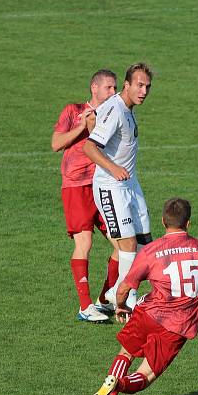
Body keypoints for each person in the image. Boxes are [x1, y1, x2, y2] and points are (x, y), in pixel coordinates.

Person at [88, 197, 198, 395]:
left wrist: (120, 306)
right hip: (177, 327)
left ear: (162, 221)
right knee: (145, 375)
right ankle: (118, 385)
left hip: (148, 313)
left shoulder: (151, 251)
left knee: (126, 353)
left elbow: (124, 288)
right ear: (188, 223)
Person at [83, 63, 154, 311]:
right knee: (128, 245)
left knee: (145, 241)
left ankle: (117, 291)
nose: (144, 91)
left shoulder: (126, 108)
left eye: (147, 86)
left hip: (130, 184)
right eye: (139, 85)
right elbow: (89, 147)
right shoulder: (116, 109)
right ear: (127, 85)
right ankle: (126, 297)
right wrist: (113, 168)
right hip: (110, 186)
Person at [52, 69, 121, 323]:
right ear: (95, 87)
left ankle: (103, 300)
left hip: (102, 186)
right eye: (109, 88)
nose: (114, 92)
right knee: (84, 244)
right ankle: (84, 306)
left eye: (115, 88)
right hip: (76, 186)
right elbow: (56, 144)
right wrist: (83, 126)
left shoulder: (113, 114)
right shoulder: (73, 110)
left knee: (122, 246)